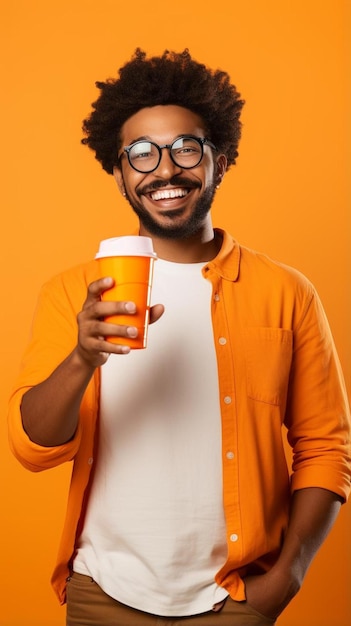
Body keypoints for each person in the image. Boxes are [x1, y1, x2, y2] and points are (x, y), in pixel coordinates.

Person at [8, 49, 351, 626]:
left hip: (236, 599)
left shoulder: (287, 292)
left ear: (220, 161)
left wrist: (286, 579)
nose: (164, 170)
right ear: (118, 173)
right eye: (140, 153)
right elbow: (31, 448)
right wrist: (82, 358)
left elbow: (325, 450)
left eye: (186, 147)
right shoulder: (73, 292)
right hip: (103, 596)